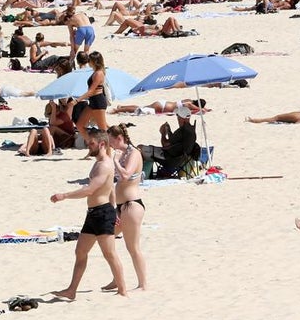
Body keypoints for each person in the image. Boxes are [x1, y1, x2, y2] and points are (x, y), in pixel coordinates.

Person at [50, 131, 128, 300]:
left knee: (109, 253)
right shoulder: (98, 163)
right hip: (94, 213)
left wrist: (64, 195)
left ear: (102, 144)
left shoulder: (104, 165)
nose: (88, 146)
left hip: (102, 213)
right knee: (80, 251)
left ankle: (123, 291)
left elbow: (90, 190)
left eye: (91, 143)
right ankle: (71, 290)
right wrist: (115, 209)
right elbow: (110, 189)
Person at [107, 123, 146, 292]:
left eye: (111, 141)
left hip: (132, 205)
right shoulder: (120, 154)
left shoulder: (134, 153)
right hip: (120, 207)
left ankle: (143, 284)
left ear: (119, 138)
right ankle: (117, 278)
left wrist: (115, 160)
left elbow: (125, 175)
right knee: (107, 241)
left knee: (133, 248)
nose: (109, 144)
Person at [140, 104, 199, 177]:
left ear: (181, 118)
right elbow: (175, 142)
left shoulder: (182, 131)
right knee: (146, 148)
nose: (177, 118)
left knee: (140, 148)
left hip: (170, 159)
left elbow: (165, 144)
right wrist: (169, 131)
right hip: (181, 159)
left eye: (178, 116)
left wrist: (163, 134)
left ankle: (141, 175)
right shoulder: (190, 130)